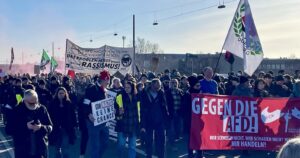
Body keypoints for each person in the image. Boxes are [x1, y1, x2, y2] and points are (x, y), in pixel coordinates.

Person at [10, 89, 53, 158]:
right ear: (24, 100)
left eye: (36, 102)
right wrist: (25, 127)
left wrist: (41, 127)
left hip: (40, 150)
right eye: (31, 103)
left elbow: (50, 126)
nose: (34, 105)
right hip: (23, 151)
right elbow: (9, 129)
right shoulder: (17, 110)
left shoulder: (42, 109)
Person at [83, 70, 110, 158]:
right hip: (93, 121)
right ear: (102, 80)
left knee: (105, 143)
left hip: (104, 122)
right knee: (95, 145)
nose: (108, 82)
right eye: (107, 80)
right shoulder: (91, 89)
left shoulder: (106, 90)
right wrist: (88, 114)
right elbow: (85, 103)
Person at [140, 79, 169, 158]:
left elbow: (164, 107)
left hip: (160, 120)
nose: (158, 88)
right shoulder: (144, 93)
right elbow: (142, 109)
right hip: (148, 121)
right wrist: (142, 124)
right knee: (149, 141)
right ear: (152, 85)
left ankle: (161, 156)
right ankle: (148, 155)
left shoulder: (161, 92)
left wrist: (166, 120)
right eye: (157, 86)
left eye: (159, 86)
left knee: (161, 141)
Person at [48, 87, 77, 158]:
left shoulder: (68, 103)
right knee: (57, 148)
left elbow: (73, 115)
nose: (61, 94)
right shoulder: (52, 103)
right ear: (57, 94)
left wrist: (75, 125)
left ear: (65, 94)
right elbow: (49, 116)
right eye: (60, 93)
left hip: (66, 128)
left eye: (63, 93)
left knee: (65, 148)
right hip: (56, 129)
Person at [115, 81, 140, 158]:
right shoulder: (120, 95)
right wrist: (118, 110)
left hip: (134, 124)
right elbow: (115, 106)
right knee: (121, 145)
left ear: (132, 88)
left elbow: (139, 109)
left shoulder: (137, 96)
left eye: (128, 87)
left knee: (132, 146)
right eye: (125, 87)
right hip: (123, 124)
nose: (126, 89)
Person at [182, 76, 203, 158]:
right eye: (197, 86)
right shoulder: (187, 95)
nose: (199, 87)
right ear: (192, 86)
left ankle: (200, 154)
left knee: (200, 138)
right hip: (190, 122)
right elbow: (184, 110)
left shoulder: (201, 94)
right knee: (191, 140)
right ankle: (190, 154)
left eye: (199, 86)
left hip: (199, 121)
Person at [165, 79, 184, 149]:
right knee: (171, 130)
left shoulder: (181, 92)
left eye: (175, 82)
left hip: (179, 113)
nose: (174, 84)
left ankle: (173, 141)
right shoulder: (167, 92)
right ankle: (172, 144)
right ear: (170, 84)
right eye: (172, 83)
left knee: (178, 129)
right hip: (171, 113)